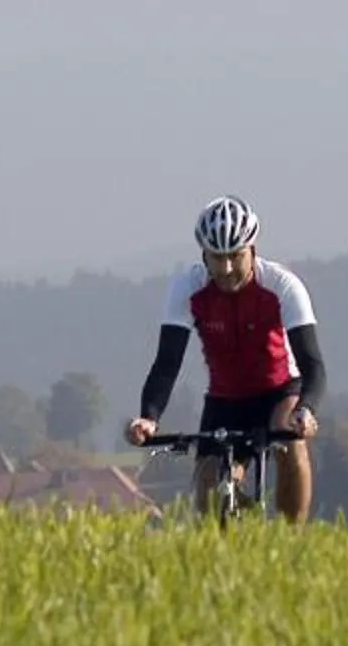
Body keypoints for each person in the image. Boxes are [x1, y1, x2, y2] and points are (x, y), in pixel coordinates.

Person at [124, 196, 328, 522]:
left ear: (253, 250)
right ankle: (228, 550)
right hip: (226, 399)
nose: (228, 268)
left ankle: (294, 538)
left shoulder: (282, 286)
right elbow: (166, 364)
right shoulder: (188, 287)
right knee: (208, 489)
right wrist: (149, 416)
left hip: (280, 389)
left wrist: (306, 410)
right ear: (204, 254)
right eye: (218, 258)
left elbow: (313, 364)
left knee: (287, 436)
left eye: (236, 256)